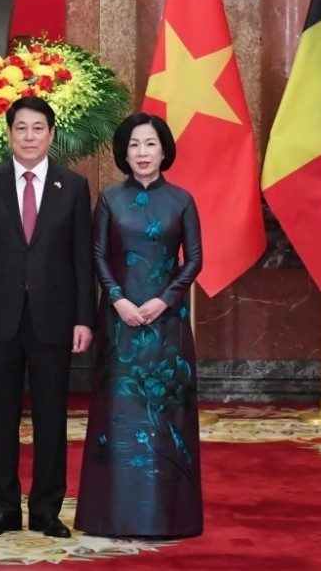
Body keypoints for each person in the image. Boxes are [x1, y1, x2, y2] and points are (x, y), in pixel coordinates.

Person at [0, 96, 95, 539]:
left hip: (53, 320)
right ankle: (2, 509)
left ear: (51, 135)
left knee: (52, 418)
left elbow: (81, 260)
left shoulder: (72, 187)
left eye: (39, 128)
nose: (30, 136)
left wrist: (83, 318)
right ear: (9, 133)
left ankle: (46, 510)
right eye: (21, 128)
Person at [74, 112, 204, 538]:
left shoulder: (182, 200)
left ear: (164, 150)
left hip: (167, 329)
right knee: (119, 418)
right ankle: (110, 516)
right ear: (122, 152)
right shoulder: (110, 199)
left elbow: (195, 260)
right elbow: (96, 256)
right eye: (133, 145)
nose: (142, 153)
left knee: (167, 419)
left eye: (149, 144)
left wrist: (164, 301)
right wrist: (119, 300)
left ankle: (170, 517)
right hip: (119, 326)